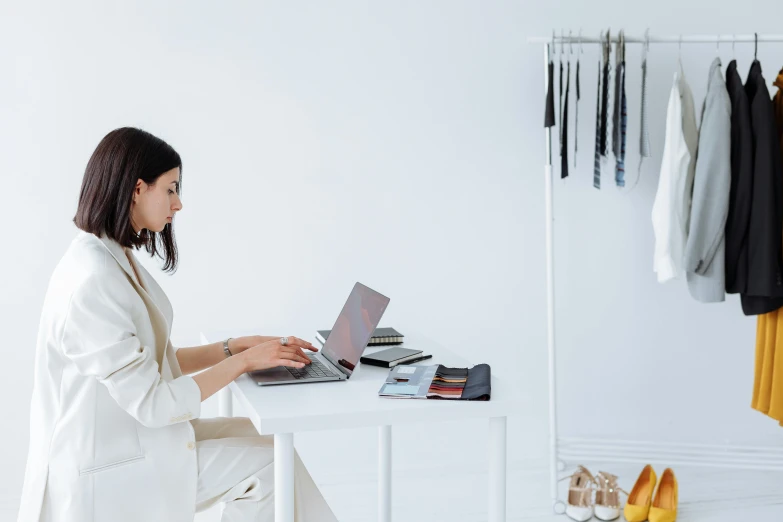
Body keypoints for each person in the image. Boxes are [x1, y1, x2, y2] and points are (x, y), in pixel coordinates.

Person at [17, 127, 338, 522]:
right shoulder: (92, 281)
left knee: (269, 442)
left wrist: (233, 347)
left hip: (130, 442)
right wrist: (244, 362)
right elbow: (154, 403)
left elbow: (153, 362)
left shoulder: (108, 252)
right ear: (137, 189)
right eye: (170, 189)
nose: (179, 203)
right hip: (108, 469)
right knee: (270, 468)